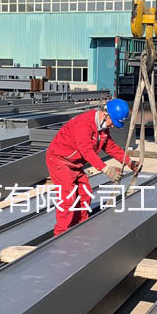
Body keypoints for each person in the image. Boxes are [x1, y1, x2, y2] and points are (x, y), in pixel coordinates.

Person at [46, 99, 140, 236]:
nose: (112, 126)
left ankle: (80, 226)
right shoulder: (84, 123)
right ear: (106, 114)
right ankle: (60, 235)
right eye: (113, 122)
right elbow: (86, 150)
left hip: (75, 163)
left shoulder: (103, 128)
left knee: (85, 194)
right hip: (59, 160)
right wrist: (106, 169)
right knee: (68, 197)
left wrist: (129, 163)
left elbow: (110, 147)